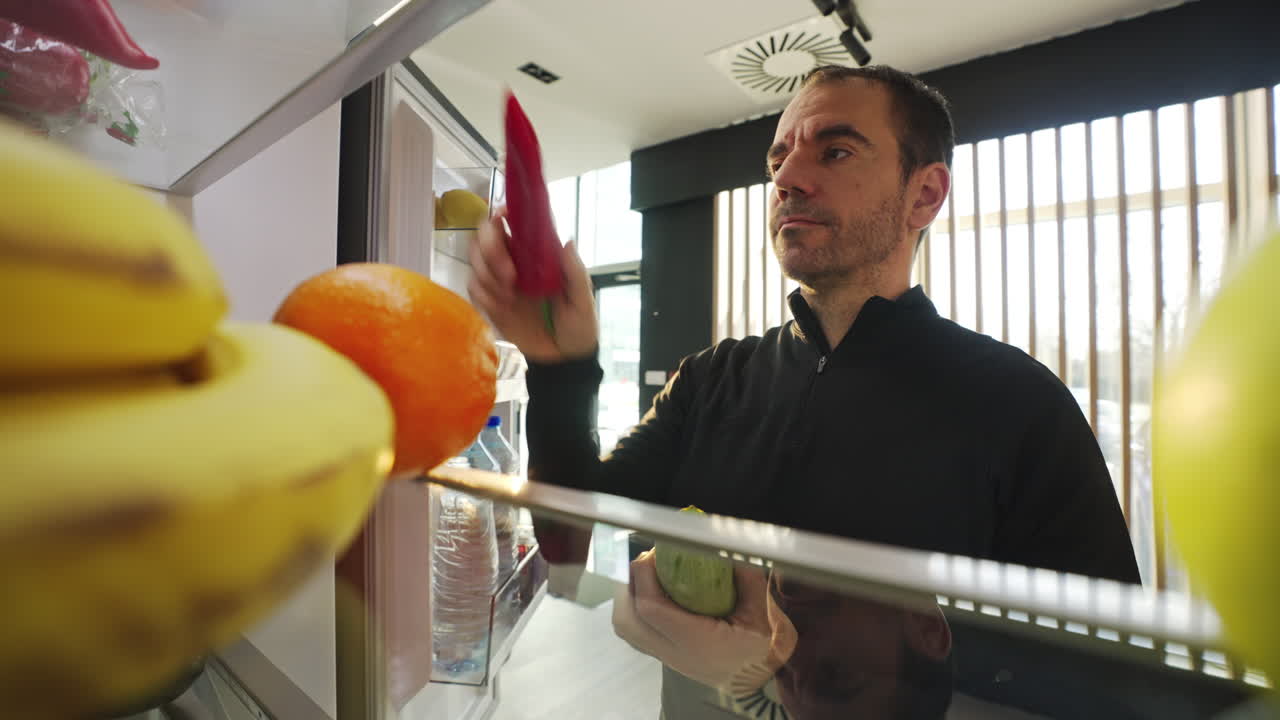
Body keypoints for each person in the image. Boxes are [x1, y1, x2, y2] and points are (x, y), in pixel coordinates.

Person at [470, 64, 1141, 718]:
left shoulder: (1019, 404)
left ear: (924, 195)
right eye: (778, 160)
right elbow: (569, 536)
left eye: (835, 150)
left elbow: (1104, 677)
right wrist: (561, 365)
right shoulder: (711, 379)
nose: (787, 178)